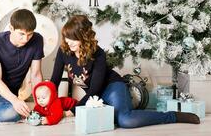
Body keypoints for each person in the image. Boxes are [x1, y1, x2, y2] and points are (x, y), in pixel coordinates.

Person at [50, 15, 200, 128]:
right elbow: (54, 81)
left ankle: (172, 116)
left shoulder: (98, 54)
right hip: (95, 96)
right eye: (66, 37)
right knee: (110, 120)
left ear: (83, 37)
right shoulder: (64, 51)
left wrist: (73, 111)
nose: (68, 41)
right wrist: (44, 105)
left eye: (72, 38)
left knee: (125, 120)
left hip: (111, 87)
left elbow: (94, 90)